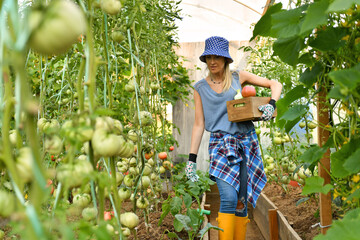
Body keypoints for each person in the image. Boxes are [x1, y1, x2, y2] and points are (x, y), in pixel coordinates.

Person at [185, 36, 282, 240]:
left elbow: (275, 83)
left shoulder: (239, 77)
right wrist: (191, 160)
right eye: (208, 57)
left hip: (246, 142)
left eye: (217, 57)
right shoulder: (199, 88)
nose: (212, 61)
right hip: (220, 145)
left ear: (226, 59)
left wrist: (271, 104)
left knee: (240, 202)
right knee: (228, 198)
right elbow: (199, 124)